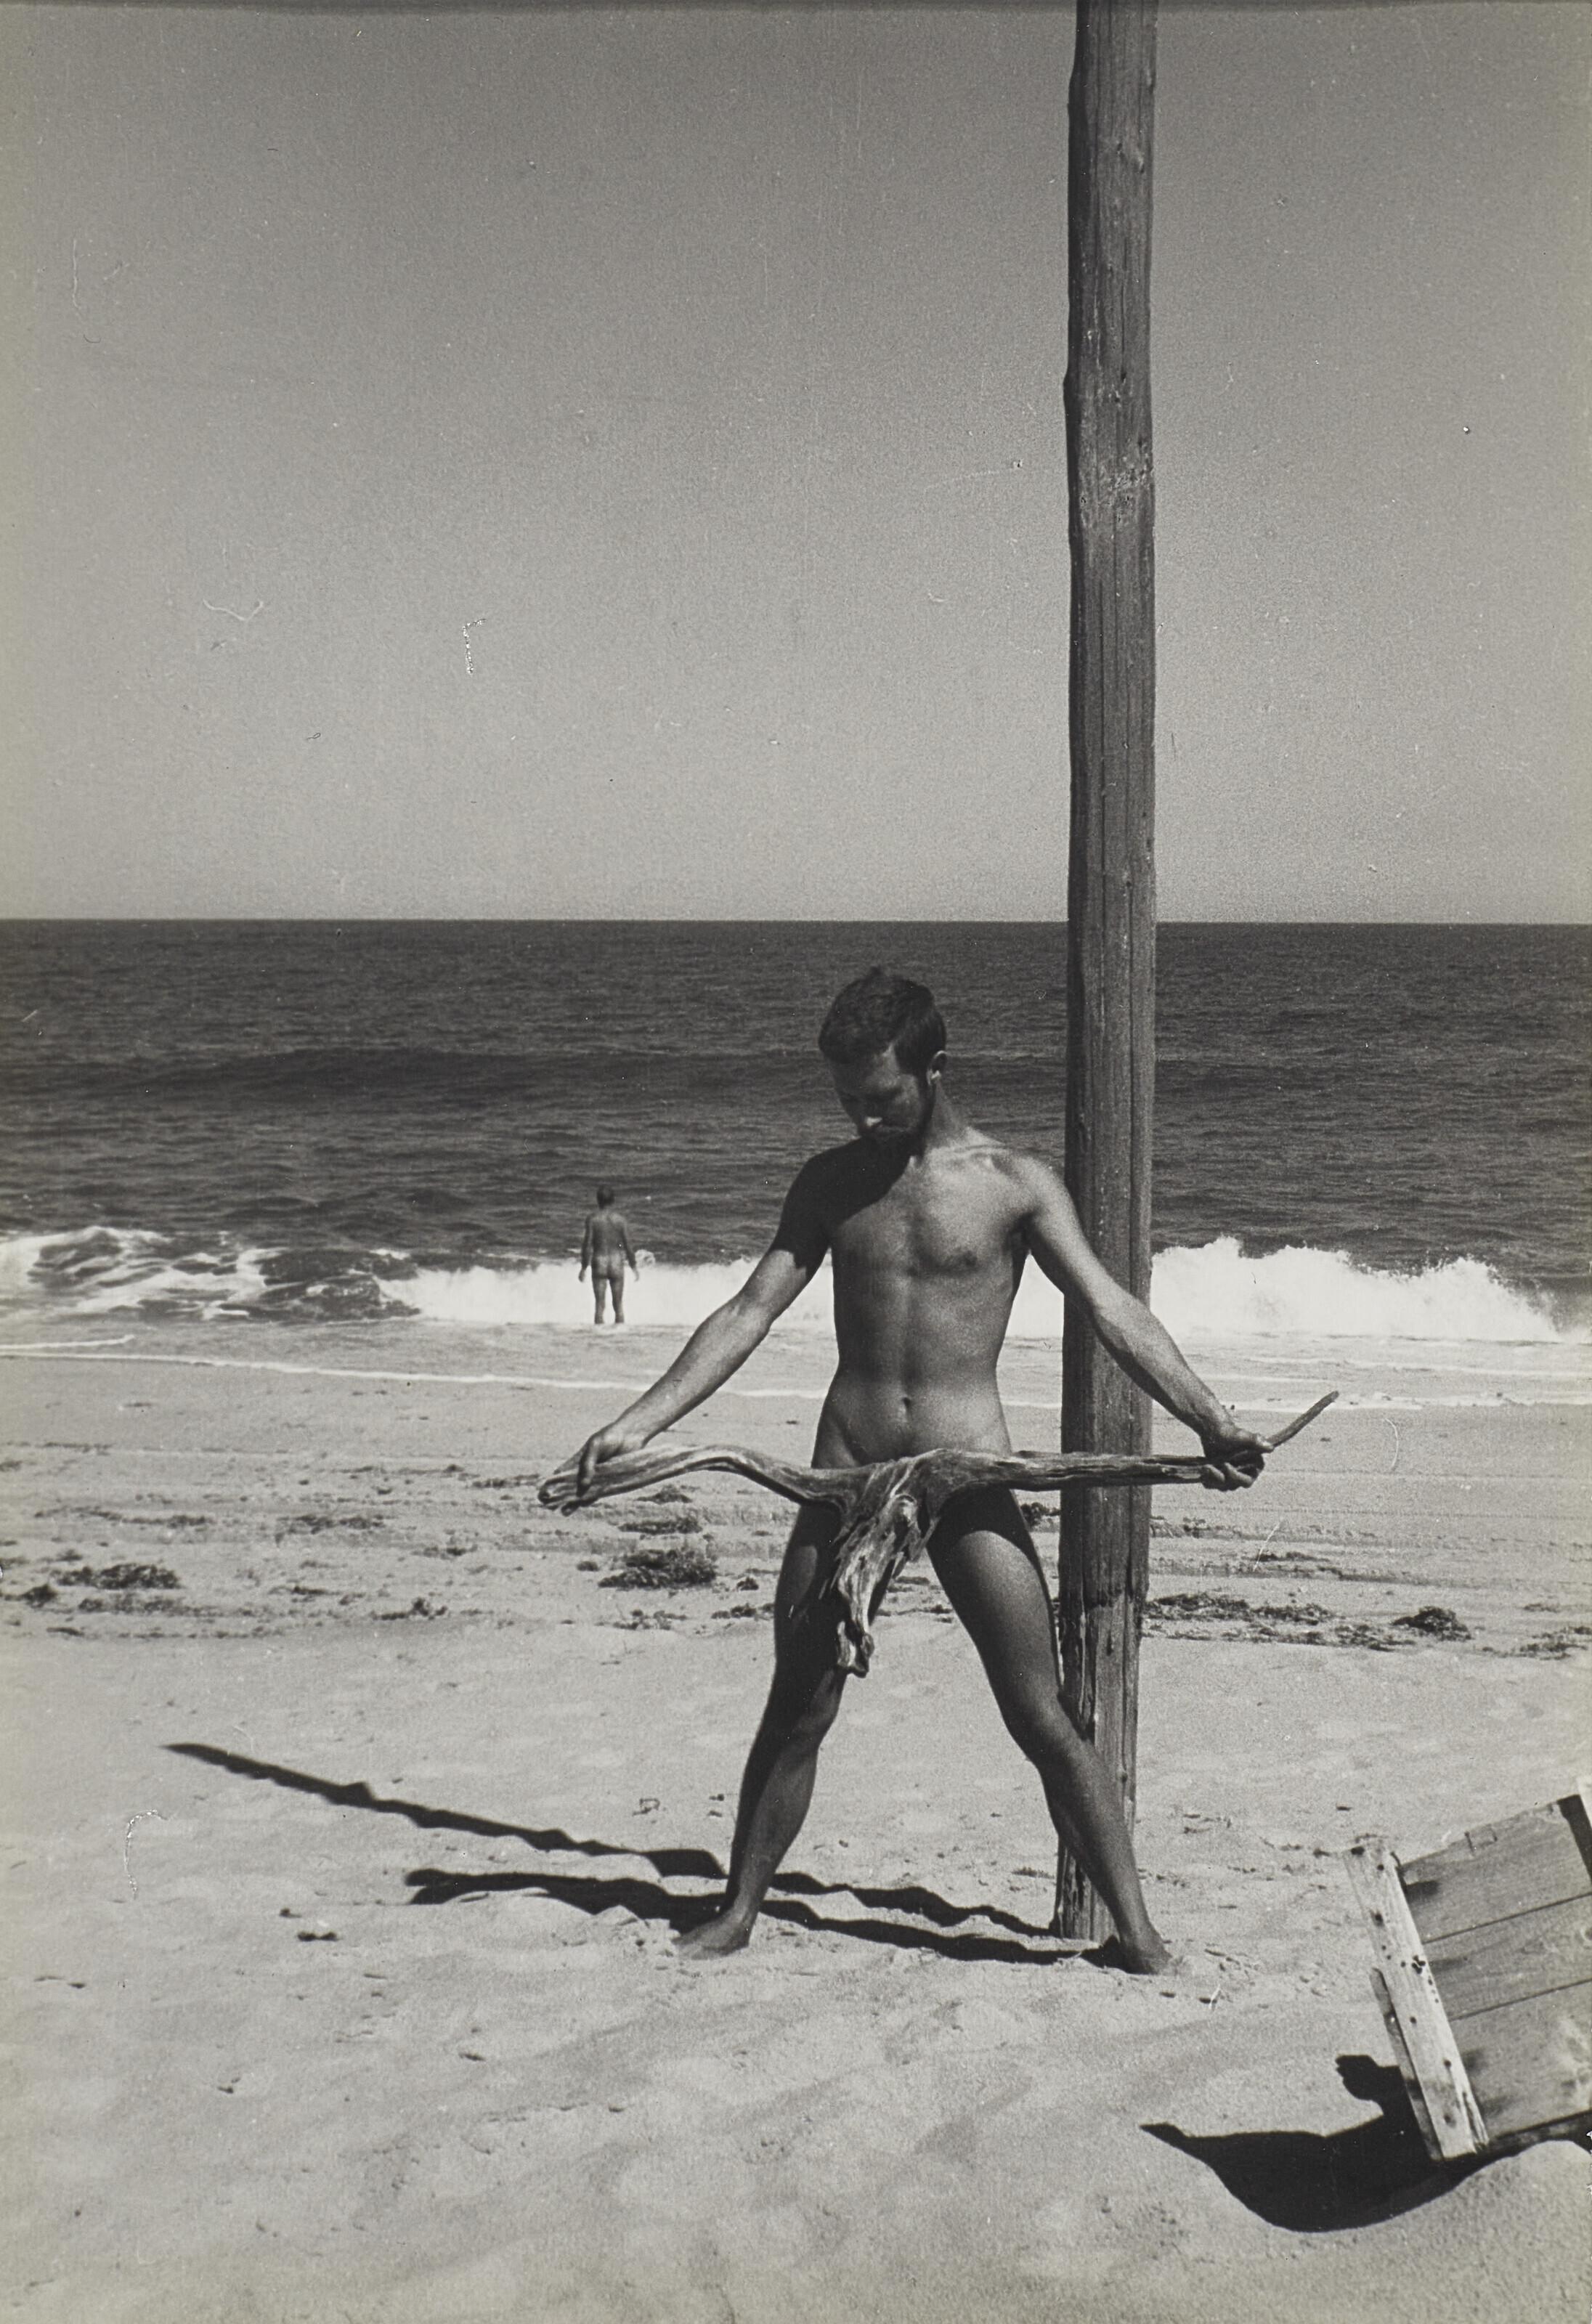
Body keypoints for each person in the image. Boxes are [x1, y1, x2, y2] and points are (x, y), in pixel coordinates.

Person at [564, 970, 1267, 1971]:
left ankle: (1141, 1938)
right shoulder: (829, 1183)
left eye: (882, 1097)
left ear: (936, 1071)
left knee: (1043, 1714)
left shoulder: (1013, 1185)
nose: (863, 1115)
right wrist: (637, 1423)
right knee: (799, 1704)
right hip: (845, 1470)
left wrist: (1209, 1420)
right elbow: (748, 1312)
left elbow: (1113, 1309)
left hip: (966, 1473)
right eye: (847, 1097)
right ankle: (737, 1913)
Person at [579, 1185, 638, 1325]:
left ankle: (600, 1343)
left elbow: (587, 1244)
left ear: (598, 1200)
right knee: (618, 1306)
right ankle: (618, 1341)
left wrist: (583, 1267)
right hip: (617, 1262)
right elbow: (628, 1245)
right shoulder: (620, 1220)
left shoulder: (593, 1219)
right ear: (613, 1200)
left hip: (599, 1261)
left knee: (599, 1306)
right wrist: (633, 1266)